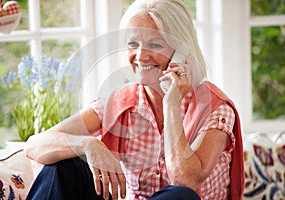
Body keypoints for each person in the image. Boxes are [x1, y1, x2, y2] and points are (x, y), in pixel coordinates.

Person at [25, 0, 244, 199]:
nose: (140, 56)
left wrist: (171, 103)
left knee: (179, 196)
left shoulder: (215, 108)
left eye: (155, 45)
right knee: (64, 165)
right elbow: (34, 146)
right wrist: (87, 144)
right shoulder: (119, 101)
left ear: (182, 50)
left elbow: (185, 179)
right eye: (132, 44)